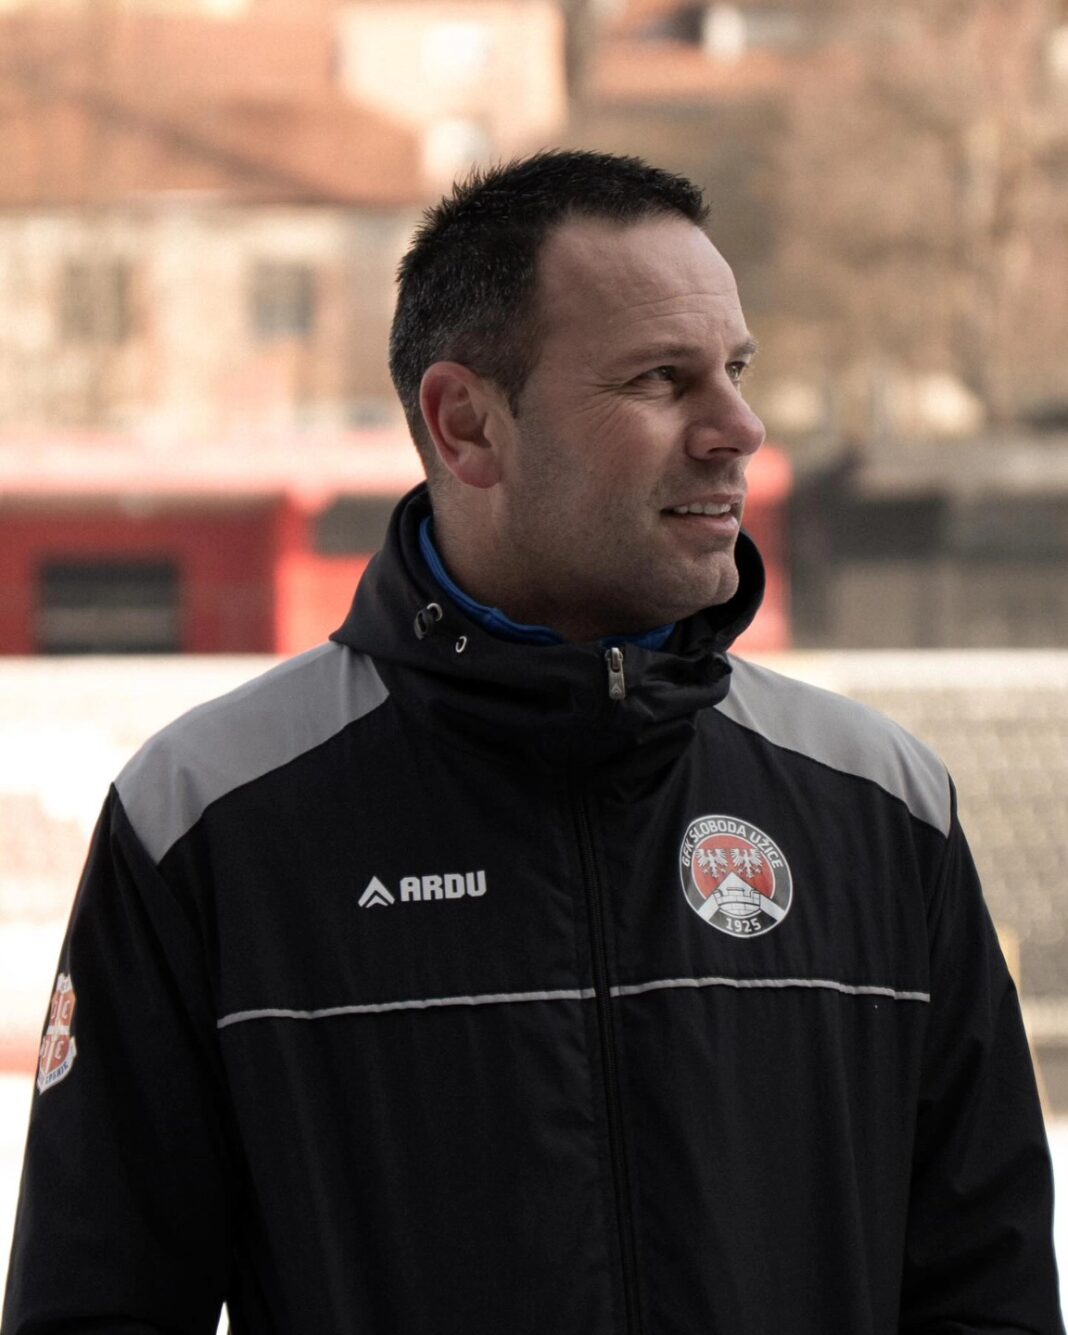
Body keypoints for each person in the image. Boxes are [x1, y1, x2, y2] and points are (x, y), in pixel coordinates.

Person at [2, 150, 1062, 1334]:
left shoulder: (881, 803)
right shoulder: (207, 818)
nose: (740, 428)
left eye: (736, 371)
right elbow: (95, 1306)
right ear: (468, 426)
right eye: (662, 379)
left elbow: (991, 1291)